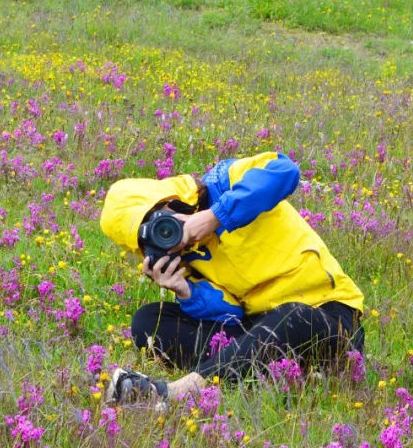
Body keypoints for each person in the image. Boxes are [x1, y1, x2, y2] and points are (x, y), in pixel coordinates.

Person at [98, 150, 365, 407]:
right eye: (150, 238)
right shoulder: (182, 255)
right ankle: (277, 374)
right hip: (257, 327)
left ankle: (175, 394)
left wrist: (214, 217)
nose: (166, 235)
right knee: (149, 322)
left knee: (291, 316)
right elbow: (230, 315)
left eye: (160, 221)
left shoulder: (225, 180)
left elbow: (285, 171)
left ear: (169, 200)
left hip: (328, 316)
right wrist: (185, 291)